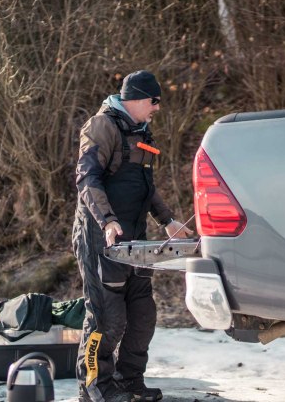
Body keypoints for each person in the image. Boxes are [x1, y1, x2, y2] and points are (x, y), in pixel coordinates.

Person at [72, 70, 192, 402]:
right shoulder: (101, 127)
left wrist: (167, 221)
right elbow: (87, 180)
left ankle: (129, 381)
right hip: (101, 236)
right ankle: (95, 386)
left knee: (142, 314)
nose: (157, 109)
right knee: (108, 317)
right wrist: (107, 221)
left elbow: (145, 186)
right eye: (155, 102)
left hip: (135, 239)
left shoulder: (141, 131)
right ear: (138, 98)